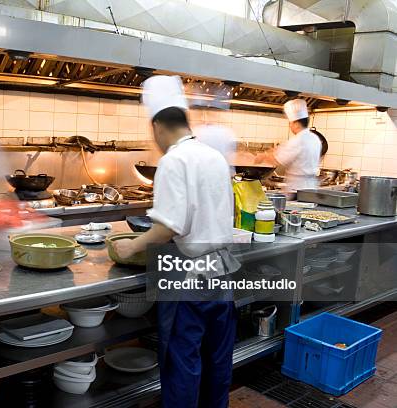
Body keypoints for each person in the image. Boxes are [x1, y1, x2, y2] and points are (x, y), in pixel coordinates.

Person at [113, 76, 239, 408]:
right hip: (224, 270)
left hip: (189, 277)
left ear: (157, 126)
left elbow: (168, 227)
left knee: (182, 359)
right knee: (217, 357)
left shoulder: (173, 160)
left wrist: (132, 245)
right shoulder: (213, 157)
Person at [255, 99, 321, 190]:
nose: (290, 126)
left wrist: (262, 157)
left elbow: (276, 160)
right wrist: (272, 151)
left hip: (297, 187)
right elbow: (284, 151)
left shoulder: (298, 140)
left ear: (297, 124)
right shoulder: (314, 138)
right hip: (311, 185)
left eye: (290, 123)